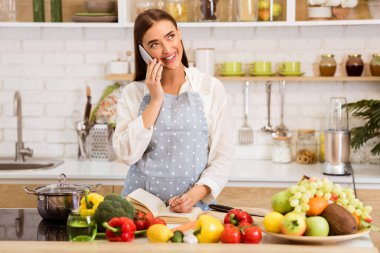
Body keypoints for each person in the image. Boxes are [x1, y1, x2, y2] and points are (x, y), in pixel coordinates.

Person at [113, 9, 233, 213]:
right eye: (154, 44)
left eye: (170, 36)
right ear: (143, 51)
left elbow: (222, 156)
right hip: (138, 212)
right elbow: (126, 154)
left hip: (190, 211)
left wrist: (195, 195)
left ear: (179, 33)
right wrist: (156, 99)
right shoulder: (134, 93)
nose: (167, 49)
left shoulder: (209, 88)